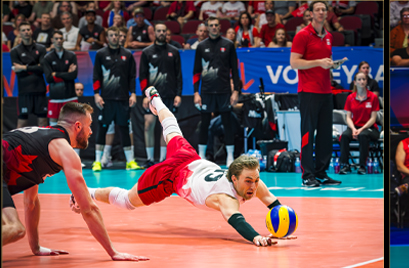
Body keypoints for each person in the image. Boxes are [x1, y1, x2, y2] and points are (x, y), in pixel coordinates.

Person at [82, 88, 294, 248]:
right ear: (234, 179)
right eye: (249, 181)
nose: (253, 185)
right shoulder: (225, 198)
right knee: (128, 201)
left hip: (189, 158)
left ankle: (156, 99)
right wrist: (258, 237)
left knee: (171, 126)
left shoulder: (252, 181)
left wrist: (282, 226)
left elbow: (274, 204)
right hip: (170, 176)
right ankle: (86, 193)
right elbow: (238, 222)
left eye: (255, 180)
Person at [2, 102, 148, 260]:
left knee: (15, 226)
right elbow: (89, 209)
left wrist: (36, 247)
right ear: (78, 126)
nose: (91, 132)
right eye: (89, 125)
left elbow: (30, 202)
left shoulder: (39, 140)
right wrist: (114, 252)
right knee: (14, 228)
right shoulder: (64, 150)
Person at [290, 1, 346, 188]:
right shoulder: (302, 35)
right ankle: (308, 175)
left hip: (325, 91)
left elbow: (323, 62)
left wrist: (330, 65)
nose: (321, 12)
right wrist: (318, 62)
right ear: (311, 14)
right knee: (308, 133)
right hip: (308, 92)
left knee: (324, 134)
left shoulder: (329, 36)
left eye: (324, 9)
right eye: (318, 10)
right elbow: (295, 63)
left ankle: (321, 172)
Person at [193, 18, 244, 169]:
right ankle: (201, 157)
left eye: (216, 25)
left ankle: (230, 157)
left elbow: (235, 70)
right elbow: (196, 71)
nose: (214, 27)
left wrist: (235, 91)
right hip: (207, 92)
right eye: (211, 26)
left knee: (227, 123)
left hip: (224, 92)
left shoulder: (228, 45)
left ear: (220, 27)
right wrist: (196, 92)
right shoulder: (201, 46)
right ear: (207, 28)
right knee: (204, 124)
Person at [92, 26, 144, 172]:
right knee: (102, 129)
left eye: (117, 35)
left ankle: (130, 161)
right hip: (106, 100)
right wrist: (96, 94)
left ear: (121, 37)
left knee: (124, 129)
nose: (115, 37)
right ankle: (97, 161)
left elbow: (132, 76)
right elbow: (96, 76)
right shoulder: (100, 54)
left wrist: (133, 93)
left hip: (122, 99)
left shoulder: (127, 54)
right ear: (107, 38)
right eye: (112, 35)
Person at [140, 22, 183, 163]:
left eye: (164, 31)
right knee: (148, 125)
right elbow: (142, 76)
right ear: (154, 33)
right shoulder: (147, 52)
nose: (161, 33)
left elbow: (178, 75)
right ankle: (150, 158)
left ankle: (164, 159)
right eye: (159, 31)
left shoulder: (174, 51)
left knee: (166, 127)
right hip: (152, 96)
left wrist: (178, 94)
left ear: (167, 33)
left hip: (169, 94)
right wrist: (144, 95)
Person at [339, 73, 382, 175]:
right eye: (359, 79)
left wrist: (361, 129)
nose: (362, 81)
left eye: (363, 79)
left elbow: (373, 118)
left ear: (366, 81)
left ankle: (362, 166)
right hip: (355, 126)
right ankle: (345, 165)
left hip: (370, 128)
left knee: (363, 135)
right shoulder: (350, 98)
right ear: (355, 82)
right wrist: (353, 129)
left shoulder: (373, 97)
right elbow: (348, 117)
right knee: (344, 136)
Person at [12, 24, 48, 130]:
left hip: (39, 89)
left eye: (28, 29)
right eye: (23, 30)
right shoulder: (15, 51)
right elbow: (17, 71)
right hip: (24, 91)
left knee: (43, 122)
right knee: (22, 124)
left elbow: (43, 68)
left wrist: (24, 67)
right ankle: (19, 147)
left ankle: (43, 146)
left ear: (31, 32)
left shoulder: (41, 49)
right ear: (19, 33)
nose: (26, 32)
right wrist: (35, 66)